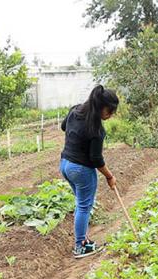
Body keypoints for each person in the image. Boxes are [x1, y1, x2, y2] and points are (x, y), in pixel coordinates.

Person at [60, 85, 119, 258]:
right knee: (84, 206)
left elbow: (65, 127)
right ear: (101, 107)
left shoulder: (75, 111)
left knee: (81, 203)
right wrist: (110, 176)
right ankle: (79, 246)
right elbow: (96, 160)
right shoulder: (96, 130)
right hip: (81, 169)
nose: (111, 115)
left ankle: (84, 240)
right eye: (110, 111)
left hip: (65, 165)